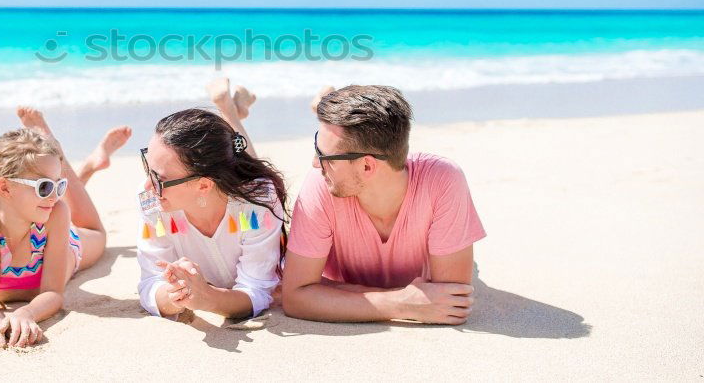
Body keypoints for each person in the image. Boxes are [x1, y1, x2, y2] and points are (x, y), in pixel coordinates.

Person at [282, 85, 485, 324]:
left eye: (324, 156)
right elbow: (295, 297)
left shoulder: (442, 180)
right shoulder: (321, 185)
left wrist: (332, 292)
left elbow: (450, 301)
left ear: (367, 166)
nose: (316, 164)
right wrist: (398, 303)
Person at [0, 107, 130, 348]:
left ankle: (74, 163)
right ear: (5, 188)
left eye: (59, 186)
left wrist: (26, 314)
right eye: (44, 187)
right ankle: (79, 167)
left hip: (65, 245)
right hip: (40, 224)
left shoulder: (56, 211)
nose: (54, 197)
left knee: (96, 233)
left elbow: (53, 293)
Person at [137, 77, 288, 320]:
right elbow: (150, 283)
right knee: (233, 160)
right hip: (224, 182)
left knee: (251, 178)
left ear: (204, 185)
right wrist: (176, 296)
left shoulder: (259, 202)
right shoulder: (153, 202)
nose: (147, 186)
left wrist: (207, 298)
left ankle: (228, 110)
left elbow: (257, 290)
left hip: (244, 193)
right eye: (148, 169)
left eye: (159, 179)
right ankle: (228, 108)